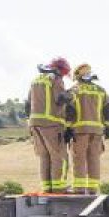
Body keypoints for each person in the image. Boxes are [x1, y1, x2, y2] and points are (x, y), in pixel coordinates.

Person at [65, 64, 109, 195]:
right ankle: (93, 189)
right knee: (94, 159)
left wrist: (68, 128)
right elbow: (108, 110)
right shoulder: (101, 90)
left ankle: (79, 189)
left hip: (80, 131)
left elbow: (69, 111)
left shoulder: (75, 90)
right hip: (97, 132)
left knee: (79, 159)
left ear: (78, 76)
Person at [28, 57, 72, 193]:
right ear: (60, 69)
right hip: (51, 124)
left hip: (35, 124)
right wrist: (71, 94)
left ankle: (47, 189)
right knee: (60, 157)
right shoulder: (56, 79)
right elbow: (60, 99)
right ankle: (60, 188)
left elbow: (27, 103)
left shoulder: (36, 80)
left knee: (44, 156)